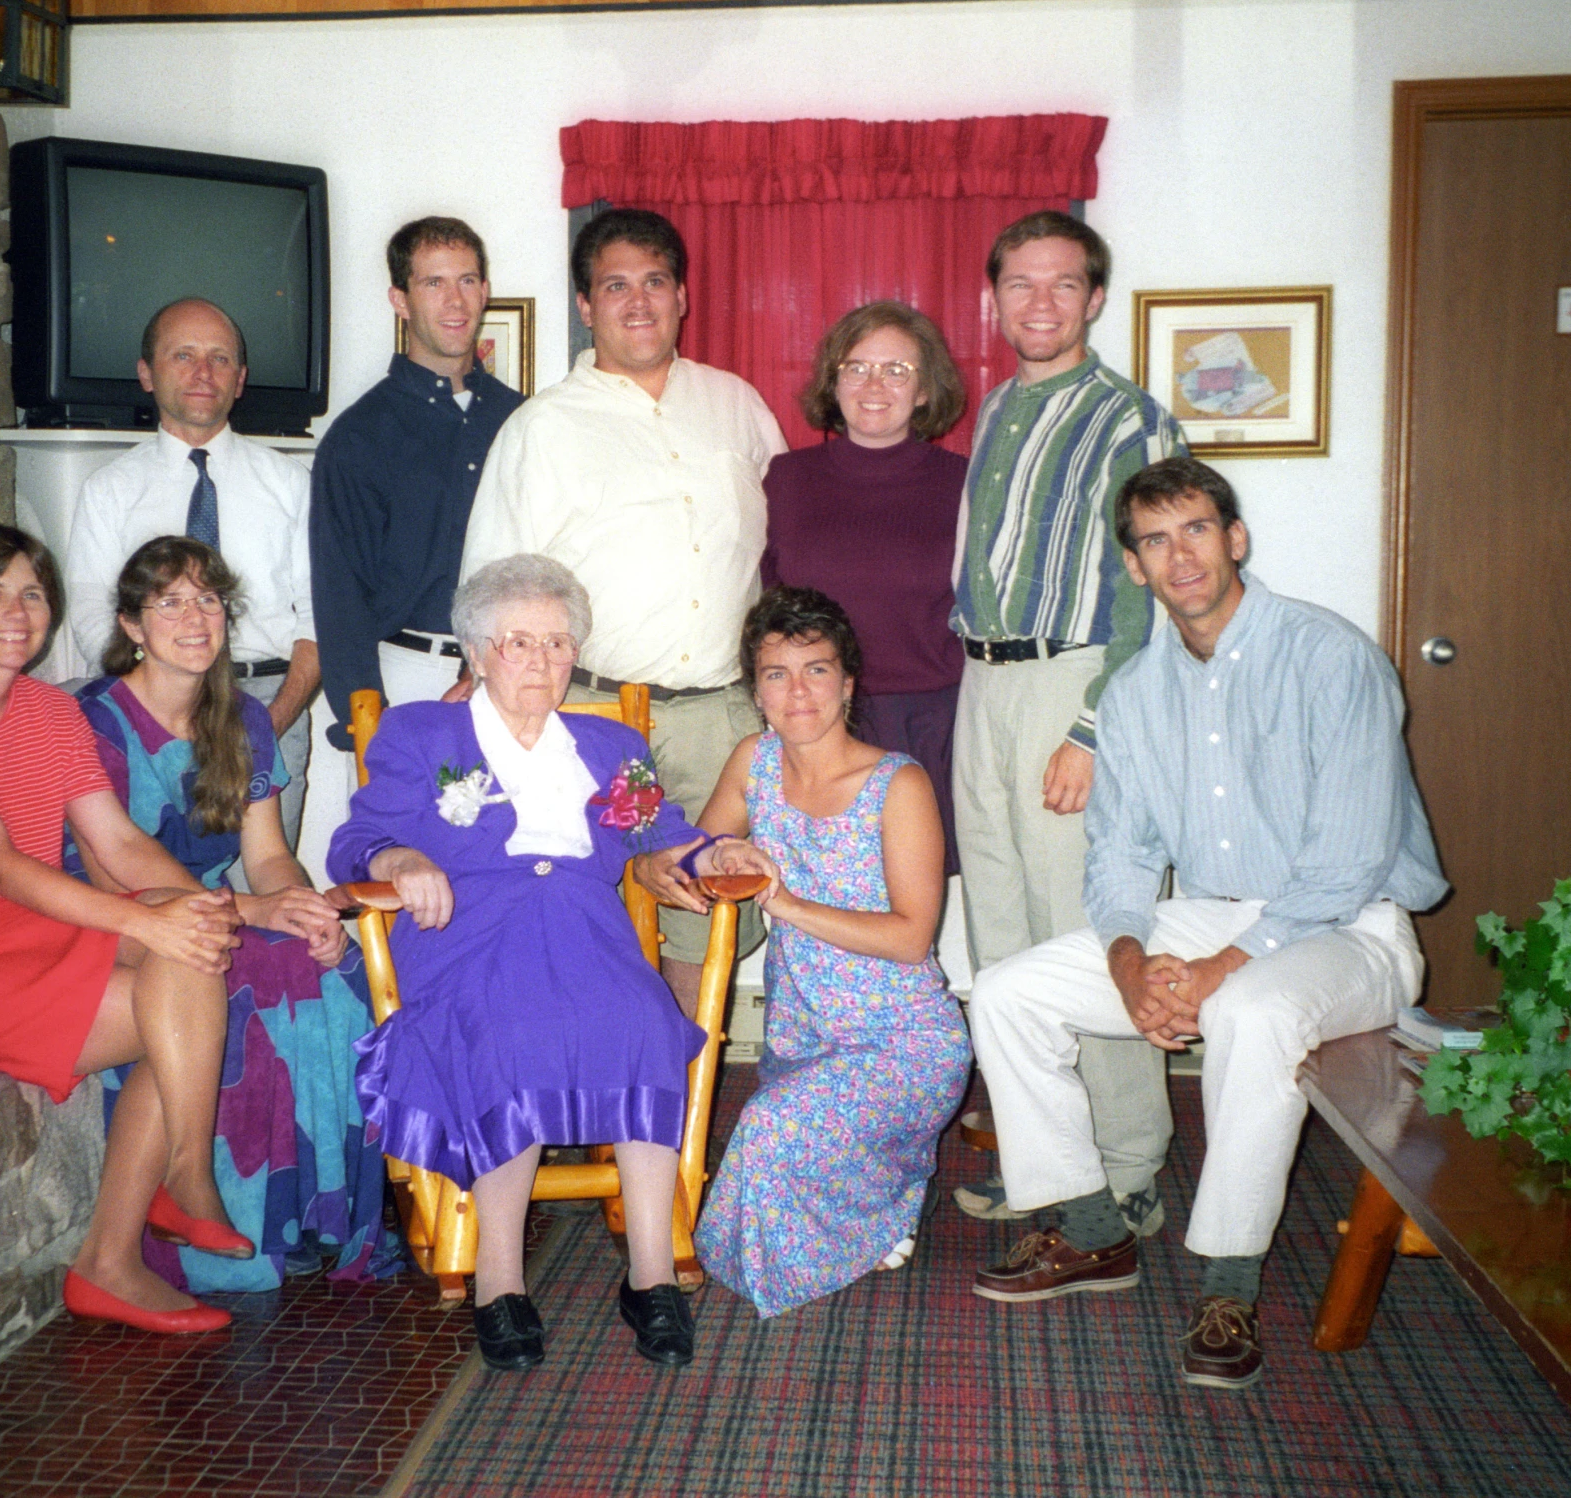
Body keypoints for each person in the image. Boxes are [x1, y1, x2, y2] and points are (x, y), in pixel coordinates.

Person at [965, 458, 1447, 1390]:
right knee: (1006, 990)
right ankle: (1094, 1230)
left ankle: (1227, 1284)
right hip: (1212, 917)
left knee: (1251, 1011)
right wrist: (1129, 962)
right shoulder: (1138, 692)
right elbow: (1120, 857)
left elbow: (1345, 863)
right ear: (1135, 567)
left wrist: (1222, 966)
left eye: (1194, 528)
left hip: (1353, 927)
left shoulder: (1331, 656)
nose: (1178, 554)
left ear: (1234, 539)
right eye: (1154, 539)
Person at [330, 554, 754, 1371]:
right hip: (467, 928)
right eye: (519, 643)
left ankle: (652, 1277)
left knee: (643, 1024)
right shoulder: (422, 733)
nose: (542, 663)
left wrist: (715, 847)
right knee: (503, 1037)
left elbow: (658, 829)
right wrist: (401, 860)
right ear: (479, 652)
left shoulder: (609, 742)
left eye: (558, 645)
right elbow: (357, 837)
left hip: (585, 929)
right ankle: (499, 1283)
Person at [0, 521, 251, 1336]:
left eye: (33, 593)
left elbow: (115, 842)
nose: (17, 610)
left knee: (182, 953)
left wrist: (202, 910)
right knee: (169, 969)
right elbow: (0, 865)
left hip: (34, 934)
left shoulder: (50, 708)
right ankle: (168, 1199)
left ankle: (138, 1228)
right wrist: (161, 919)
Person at [459, 208, 787, 1016]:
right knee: (585, 907)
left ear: (681, 295)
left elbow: (786, 548)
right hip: (593, 715)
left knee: (707, 914)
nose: (636, 302)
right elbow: (491, 590)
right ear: (584, 304)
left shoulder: (737, 406)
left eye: (653, 282)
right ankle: (598, 1095)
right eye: (614, 285)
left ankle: (682, 1110)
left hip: (721, 714)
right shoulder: (542, 428)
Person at [66, 535, 395, 1292]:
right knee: (245, 972)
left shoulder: (243, 718)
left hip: (220, 905)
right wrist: (255, 910)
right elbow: (113, 864)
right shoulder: (94, 720)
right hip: (119, 918)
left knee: (330, 965)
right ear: (131, 626)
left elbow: (268, 852)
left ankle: (316, 1216)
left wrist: (301, 904)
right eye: (169, 602)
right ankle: (222, 1230)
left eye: (208, 599)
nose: (194, 618)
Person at [949, 212, 1187, 1233]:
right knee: (1001, 941)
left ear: (1094, 297)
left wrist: (1093, 730)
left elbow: (1159, 589)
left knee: (1089, 936)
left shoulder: (1132, 420)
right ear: (993, 298)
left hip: (1075, 683)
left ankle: (1128, 1161)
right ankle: (1046, 1160)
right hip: (983, 686)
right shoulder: (998, 407)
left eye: (1061, 285)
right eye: (1019, 285)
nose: (1038, 303)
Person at [652, 587, 970, 1317]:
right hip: (801, 1037)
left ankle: (886, 1192)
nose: (797, 691)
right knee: (778, 1146)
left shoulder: (898, 783)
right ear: (754, 690)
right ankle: (886, 1190)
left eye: (816, 670)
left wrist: (784, 900)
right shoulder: (753, 760)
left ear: (848, 682)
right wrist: (718, 850)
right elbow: (700, 856)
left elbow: (911, 935)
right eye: (775, 673)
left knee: (764, 1134)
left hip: (902, 1042)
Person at [299, 218, 524, 880]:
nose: (453, 302)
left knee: (502, 878)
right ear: (400, 299)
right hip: (407, 682)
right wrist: (364, 722)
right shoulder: (357, 437)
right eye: (432, 283)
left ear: (485, 290)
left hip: (511, 674)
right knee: (404, 885)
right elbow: (337, 597)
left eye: (465, 281)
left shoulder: (521, 420)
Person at [62, 297, 319, 843]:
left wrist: (268, 726)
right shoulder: (109, 491)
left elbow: (319, 617)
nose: (204, 373)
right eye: (183, 355)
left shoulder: (292, 484)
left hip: (267, 705)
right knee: (154, 899)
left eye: (220, 358)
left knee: (268, 899)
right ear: (146, 374)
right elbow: (91, 611)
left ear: (241, 379)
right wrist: (144, 711)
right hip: (147, 721)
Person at [760, 301, 970, 870]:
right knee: (820, 886)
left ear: (925, 389)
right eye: (857, 367)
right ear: (834, 381)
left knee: (913, 904)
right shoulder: (788, 479)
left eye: (897, 370)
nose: (874, 384)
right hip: (818, 719)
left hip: (931, 726)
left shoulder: (962, 484)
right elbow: (770, 608)